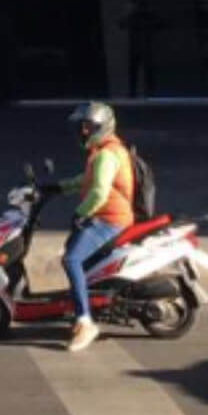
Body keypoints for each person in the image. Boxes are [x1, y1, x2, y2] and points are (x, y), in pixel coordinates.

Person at [57, 102, 136, 354]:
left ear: (102, 127)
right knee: (76, 254)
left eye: (88, 126)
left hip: (110, 219)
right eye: (82, 126)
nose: (83, 131)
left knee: (71, 259)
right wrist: (58, 187)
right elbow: (88, 181)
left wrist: (80, 214)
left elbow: (100, 192)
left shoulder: (105, 154)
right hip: (107, 216)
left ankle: (85, 321)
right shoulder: (103, 151)